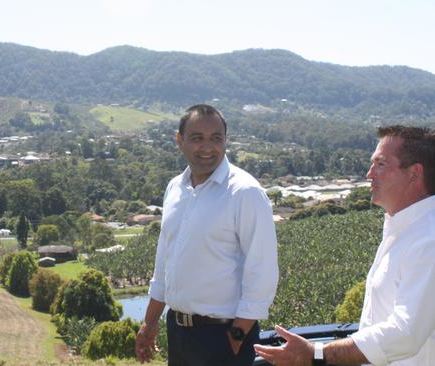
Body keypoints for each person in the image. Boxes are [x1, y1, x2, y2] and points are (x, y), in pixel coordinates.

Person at [254, 125, 435, 366]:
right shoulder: (405, 230)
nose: (370, 174)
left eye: (380, 165)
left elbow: (405, 333)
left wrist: (317, 353)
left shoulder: (427, 239)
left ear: (414, 173)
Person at [135, 104, 279, 365]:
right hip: (178, 333)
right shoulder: (175, 189)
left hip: (223, 337)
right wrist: (149, 323)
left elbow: (263, 272)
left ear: (226, 141)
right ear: (180, 141)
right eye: (197, 138)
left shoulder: (245, 193)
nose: (207, 147)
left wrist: (236, 337)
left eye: (216, 138)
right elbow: (164, 264)